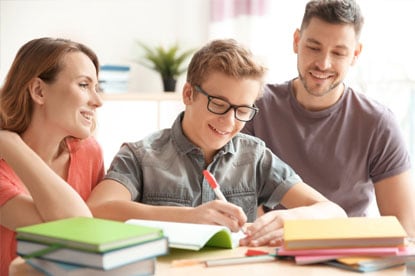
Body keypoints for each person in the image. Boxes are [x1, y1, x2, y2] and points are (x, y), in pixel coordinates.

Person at [87, 38, 346, 247]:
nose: (229, 121)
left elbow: (333, 212)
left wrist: (288, 217)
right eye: (219, 104)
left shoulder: (254, 156)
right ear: (188, 94)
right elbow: (97, 209)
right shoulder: (141, 155)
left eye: (243, 110)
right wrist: (188, 218)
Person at [242, 0, 415, 237]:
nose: (323, 63)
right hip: (270, 253)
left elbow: (405, 229)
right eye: (314, 47)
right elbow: (245, 206)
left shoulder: (378, 124)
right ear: (296, 41)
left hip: (348, 258)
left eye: (338, 53)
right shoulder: (254, 106)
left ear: (355, 54)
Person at [0, 37, 105, 274]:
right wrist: (10, 143)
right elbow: (77, 229)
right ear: (39, 91)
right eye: (83, 85)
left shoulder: (89, 152)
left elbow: (96, 237)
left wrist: (8, 141)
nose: (97, 101)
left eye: (96, 87)